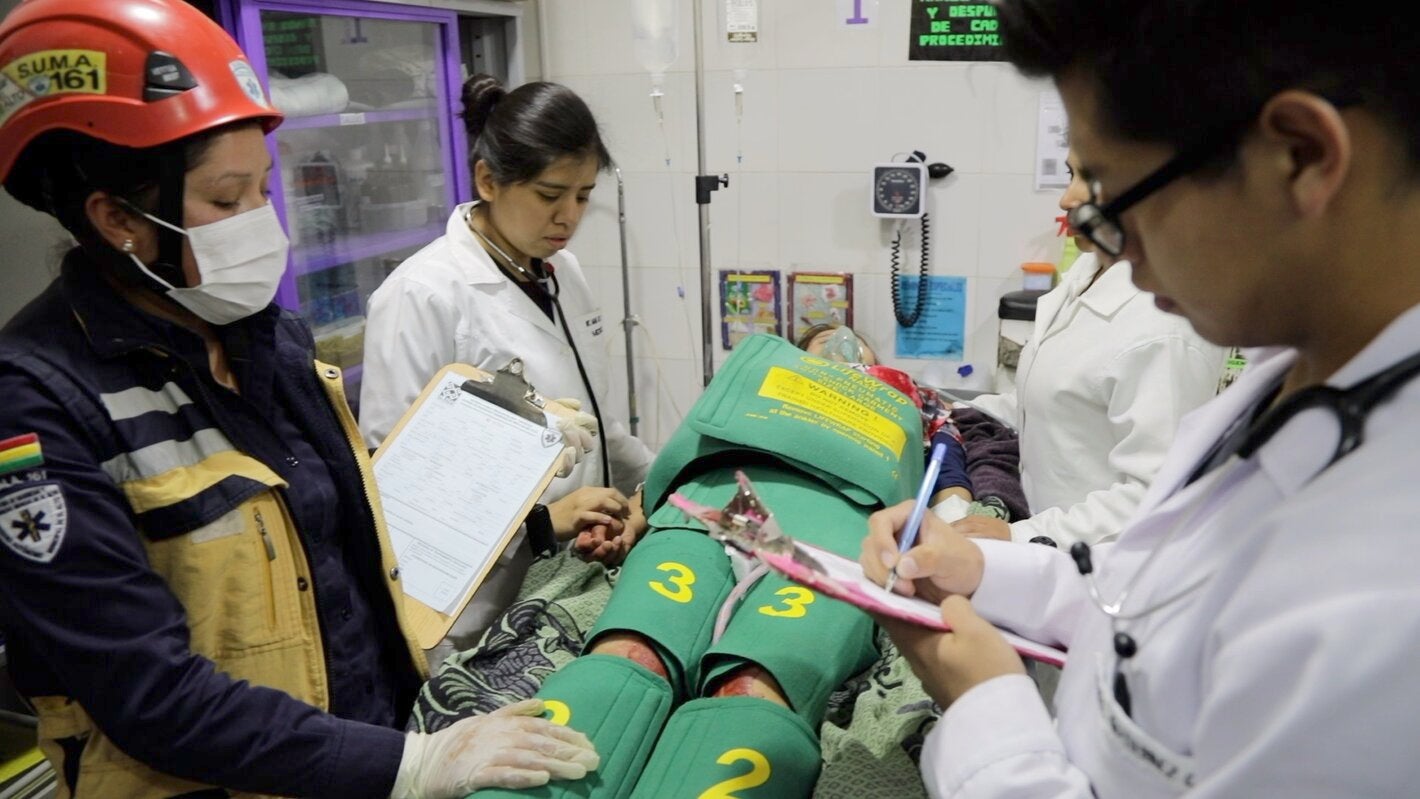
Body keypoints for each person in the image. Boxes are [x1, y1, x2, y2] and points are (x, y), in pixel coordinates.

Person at [0, 2, 598, 797]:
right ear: (117, 219)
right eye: (226, 200)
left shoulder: (271, 342)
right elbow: (149, 692)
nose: (262, 221)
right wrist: (409, 765)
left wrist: (513, 454)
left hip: (360, 754)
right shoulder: (39, 405)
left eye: (265, 187)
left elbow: (363, 544)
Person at [861, 0, 1420, 795]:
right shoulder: (1292, 381)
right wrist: (983, 566)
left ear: (1299, 156)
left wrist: (984, 709)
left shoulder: (1388, 592)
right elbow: (1148, 591)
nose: (1103, 239)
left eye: (1115, 195)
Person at [467, 332, 927, 798]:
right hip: (707, 506)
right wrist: (630, 522)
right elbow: (666, 478)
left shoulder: (910, 410)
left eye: (859, 347)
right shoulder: (756, 387)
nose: (842, 344)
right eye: (822, 339)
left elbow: (949, 495)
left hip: (837, 541)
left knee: (754, 685)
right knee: (630, 653)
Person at [360, 74, 655, 653]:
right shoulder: (422, 295)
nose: (569, 216)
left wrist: (660, 488)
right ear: (488, 180)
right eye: (550, 195)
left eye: (583, 196)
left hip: (565, 585)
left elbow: (601, 426)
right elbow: (397, 491)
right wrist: (541, 522)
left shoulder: (561, 273)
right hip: (472, 613)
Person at [956, 148, 1226, 546]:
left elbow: (1152, 493)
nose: (1067, 199)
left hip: (1096, 559)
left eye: (1091, 178)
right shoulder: (1090, 270)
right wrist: (943, 411)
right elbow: (1053, 405)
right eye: (1071, 175)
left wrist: (1018, 535)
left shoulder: (1166, 327)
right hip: (1043, 540)